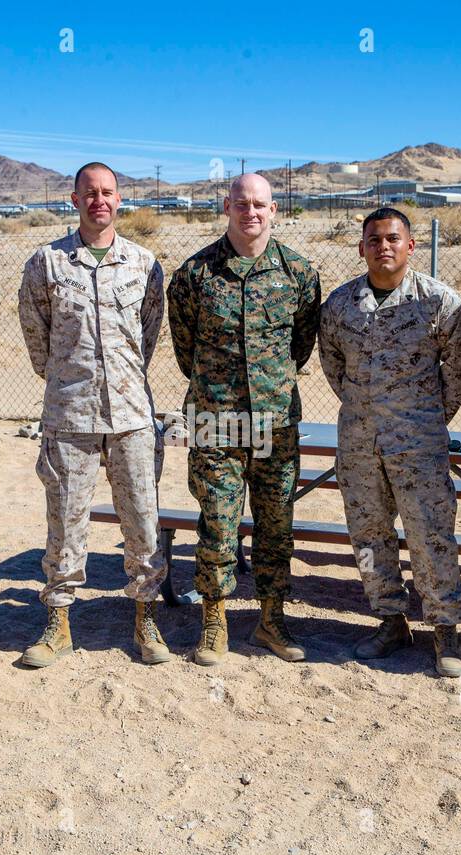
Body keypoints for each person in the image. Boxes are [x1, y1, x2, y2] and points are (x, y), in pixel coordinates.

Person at [17, 162, 170, 666]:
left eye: (107, 192)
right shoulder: (47, 263)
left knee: (142, 524)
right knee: (64, 521)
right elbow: (37, 339)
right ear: (74, 198)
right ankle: (58, 623)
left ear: (119, 199)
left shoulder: (144, 264)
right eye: (89, 193)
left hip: (130, 416)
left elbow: (146, 336)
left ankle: (146, 620)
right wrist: (69, 379)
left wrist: (121, 380)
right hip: (70, 416)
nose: (98, 200)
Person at [166, 173, 321, 665]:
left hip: (275, 423)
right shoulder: (195, 274)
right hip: (216, 421)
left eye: (260, 204)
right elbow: (184, 349)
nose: (250, 212)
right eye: (241, 203)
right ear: (226, 207)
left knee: (277, 525)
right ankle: (214, 622)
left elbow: (301, 347)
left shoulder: (298, 273)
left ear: (274, 210)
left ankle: (271, 622)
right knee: (218, 523)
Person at [318, 207, 461, 676]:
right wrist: (364, 407)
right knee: (369, 535)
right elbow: (332, 363)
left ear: (410, 246)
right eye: (374, 239)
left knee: (430, 535)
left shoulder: (438, 302)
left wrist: (429, 412)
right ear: (362, 247)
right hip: (360, 444)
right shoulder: (341, 305)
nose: (383, 247)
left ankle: (445, 629)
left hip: (420, 443)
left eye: (392, 238)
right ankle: (390, 619)